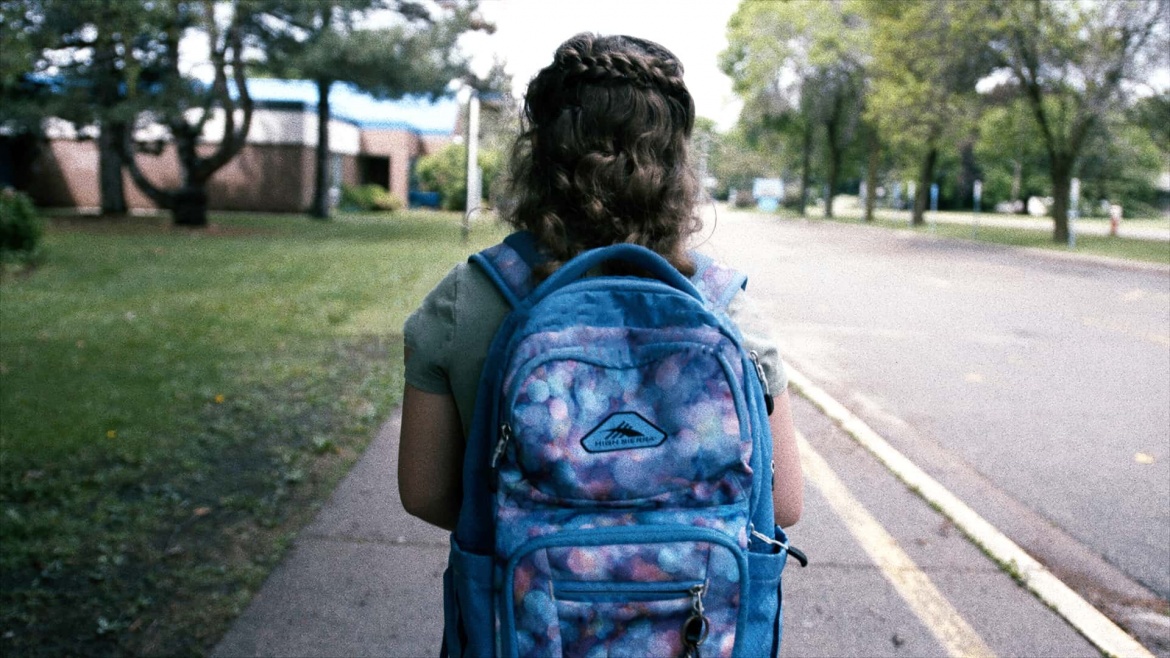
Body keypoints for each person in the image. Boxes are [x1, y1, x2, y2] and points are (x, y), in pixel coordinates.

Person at [398, 32, 802, 533]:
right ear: (677, 167)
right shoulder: (724, 308)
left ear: (539, 155)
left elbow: (424, 493)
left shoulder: (469, 299)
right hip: (696, 609)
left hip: (525, 606)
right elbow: (781, 506)